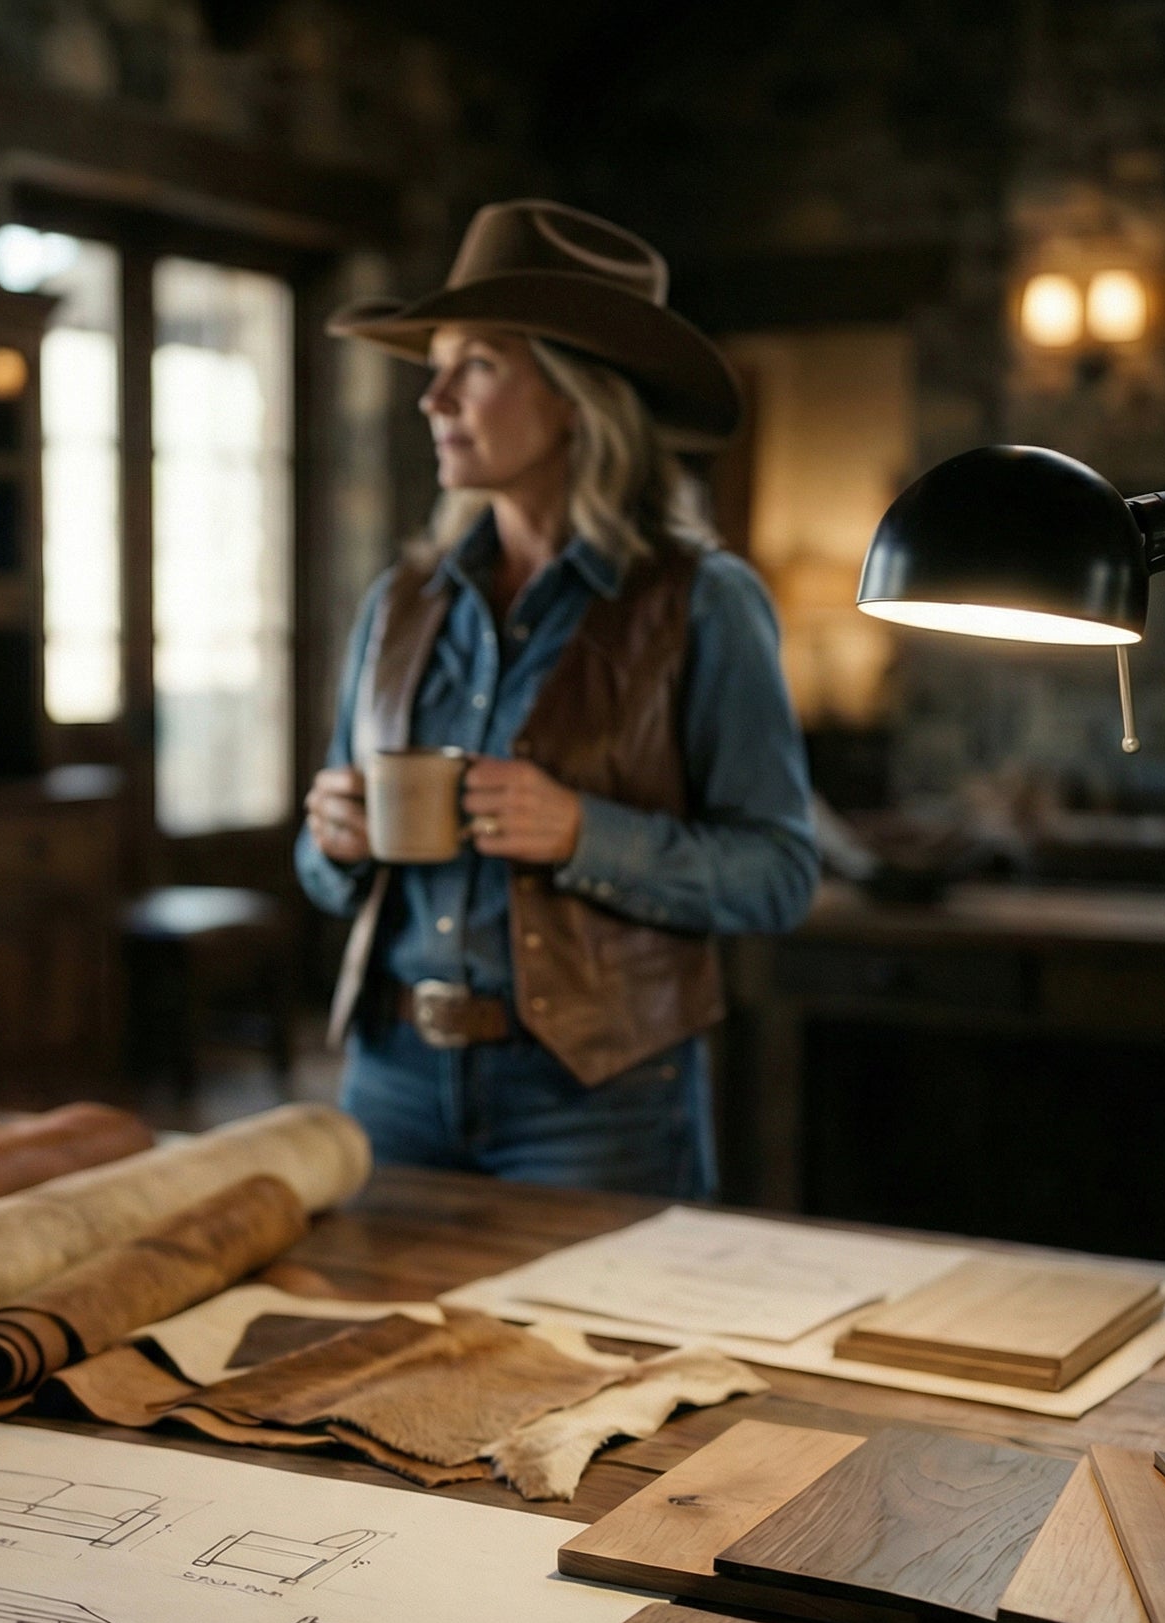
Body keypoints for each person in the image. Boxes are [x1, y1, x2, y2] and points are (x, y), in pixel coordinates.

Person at [296, 200, 818, 1196]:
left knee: (602, 1359)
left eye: (479, 363)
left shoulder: (702, 601)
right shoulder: (399, 600)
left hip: (596, 1096)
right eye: (434, 364)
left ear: (578, 397)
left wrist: (584, 831)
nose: (433, 397)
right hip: (390, 1078)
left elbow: (779, 871)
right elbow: (325, 867)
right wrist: (330, 839)